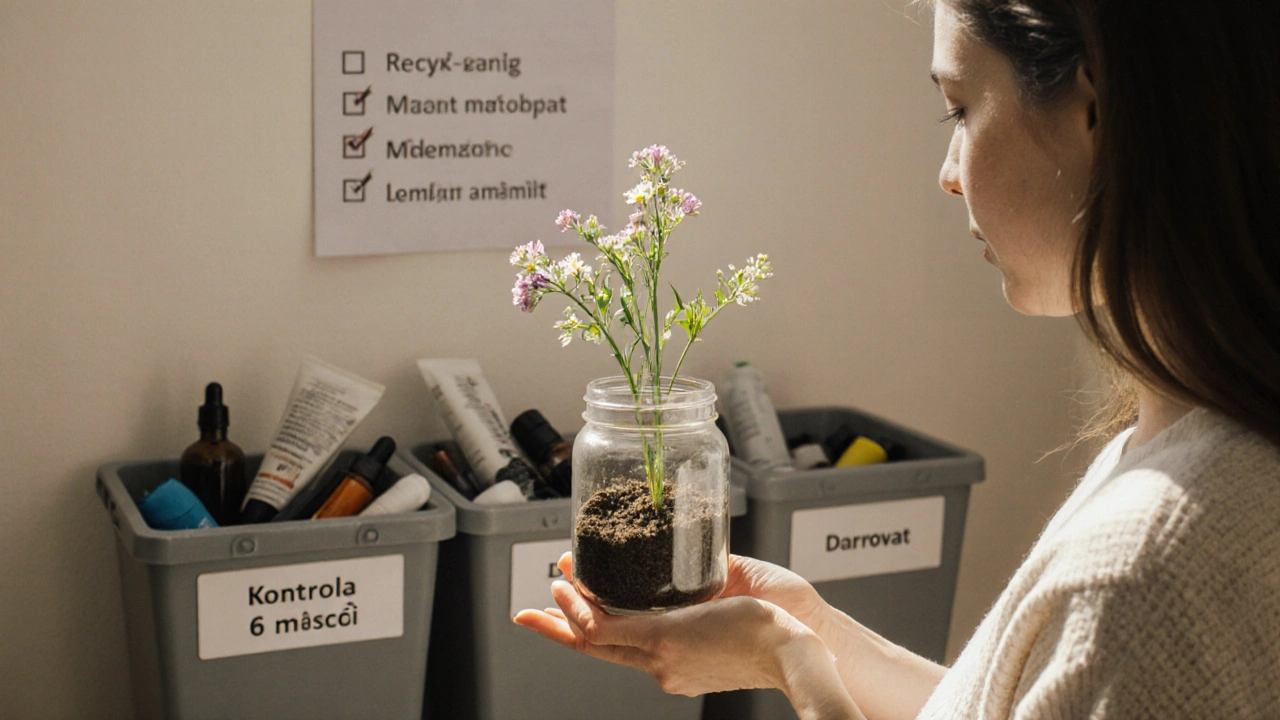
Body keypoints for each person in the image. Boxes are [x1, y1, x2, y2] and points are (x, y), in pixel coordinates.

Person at [514, 1, 1280, 717]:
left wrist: (790, 663)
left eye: (961, 107)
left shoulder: (1143, 570)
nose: (948, 174)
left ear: (1094, 113)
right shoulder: (1196, 441)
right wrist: (812, 631)